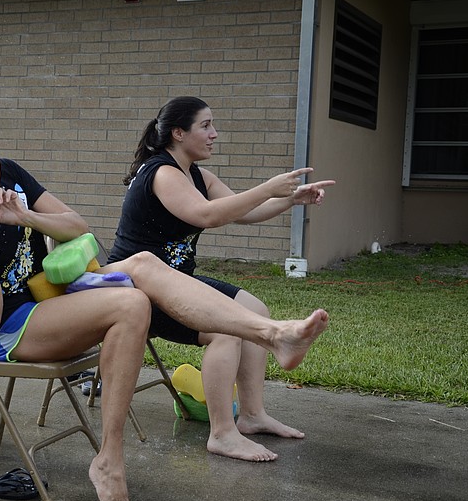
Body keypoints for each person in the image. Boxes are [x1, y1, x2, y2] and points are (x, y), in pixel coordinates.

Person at [0, 113, 329, 501]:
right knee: (131, 303)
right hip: (9, 331)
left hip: (51, 295)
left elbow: (78, 227)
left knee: (142, 263)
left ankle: (273, 335)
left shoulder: (4, 171)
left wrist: (25, 216)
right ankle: (109, 463)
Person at [108, 96, 337, 462]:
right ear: (179, 133)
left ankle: (252, 415)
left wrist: (292, 199)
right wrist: (267, 186)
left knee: (253, 308)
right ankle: (222, 433)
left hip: (178, 281)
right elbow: (206, 215)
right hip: (139, 290)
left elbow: (245, 211)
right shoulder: (162, 172)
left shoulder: (198, 174)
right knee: (225, 329)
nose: (214, 134)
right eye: (206, 126)